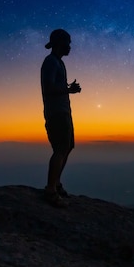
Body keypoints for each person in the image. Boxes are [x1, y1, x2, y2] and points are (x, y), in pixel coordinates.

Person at [40, 29, 81, 206]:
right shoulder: (51, 62)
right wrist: (68, 90)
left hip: (62, 112)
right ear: (60, 43)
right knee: (61, 149)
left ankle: (56, 183)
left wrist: (66, 86)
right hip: (57, 113)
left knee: (68, 146)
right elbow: (49, 88)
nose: (70, 46)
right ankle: (50, 190)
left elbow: (55, 85)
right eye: (68, 43)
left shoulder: (58, 63)